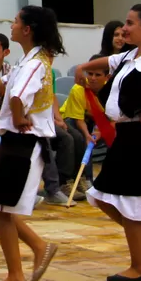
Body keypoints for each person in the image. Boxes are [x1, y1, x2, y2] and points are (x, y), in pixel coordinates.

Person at [75, 4, 141, 281]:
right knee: (103, 196)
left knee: (131, 203)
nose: (124, 28)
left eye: (130, 23)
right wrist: (83, 67)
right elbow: (108, 61)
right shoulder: (129, 57)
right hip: (125, 135)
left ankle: (139, 267)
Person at [0, 6, 64, 281]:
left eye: (17, 21)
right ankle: (38, 245)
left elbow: (18, 95)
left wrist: (18, 117)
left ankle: (16, 275)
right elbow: (6, 84)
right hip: (13, 142)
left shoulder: (34, 64)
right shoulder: (30, 60)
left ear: (28, 29)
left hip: (23, 142)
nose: (12, 24)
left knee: (1, 208)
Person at [59, 53, 110, 189]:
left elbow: (112, 118)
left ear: (107, 77)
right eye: (90, 74)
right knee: (81, 137)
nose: (92, 78)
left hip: (99, 121)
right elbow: (78, 119)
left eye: (97, 75)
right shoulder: (78, 88)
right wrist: (88, 135)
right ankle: (85, 179)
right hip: (73, 120)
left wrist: (100, 130)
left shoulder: (111, 90)